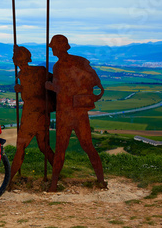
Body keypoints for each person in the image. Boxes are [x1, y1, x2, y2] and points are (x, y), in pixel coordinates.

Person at [45, 35, 106, 192]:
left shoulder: (58, 67)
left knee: (61, 149)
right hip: (78, 111)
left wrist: (50, 86)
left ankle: (53, 185)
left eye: (53, 47)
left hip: (66, 112)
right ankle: (101, 181)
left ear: (60, 47)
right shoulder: (79, 61)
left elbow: (62, 89)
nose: (51, 49)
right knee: (87, 146)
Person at [8, 45, 55, 190]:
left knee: (22, 147)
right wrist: (22, 89)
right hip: (37, 114)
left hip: (33, 115)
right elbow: (31, 91)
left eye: (15, 56)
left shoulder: (39, 72)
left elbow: (52, 82)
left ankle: (9, 180)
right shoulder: (23, 75)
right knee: (43, 146)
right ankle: (57, 173)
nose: (13, 59)